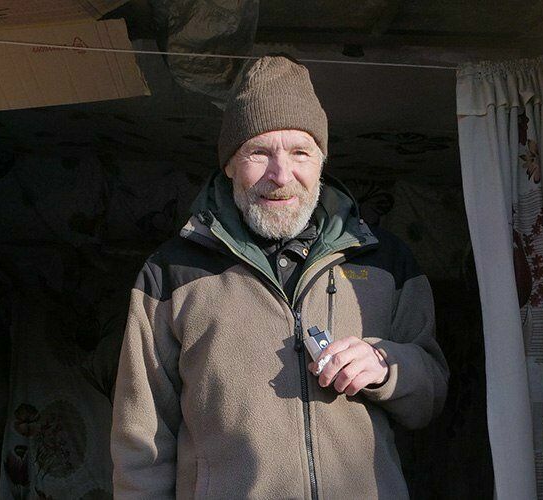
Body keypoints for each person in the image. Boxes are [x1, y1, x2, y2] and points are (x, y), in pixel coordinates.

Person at [111, 55, 449, 499]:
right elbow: (141, 445)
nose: (281, 175)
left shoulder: (385, 261)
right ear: (229, 164)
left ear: (321, 161)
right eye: (259, 152)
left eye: (300, 153)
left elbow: (430, 399)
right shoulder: (170, 275)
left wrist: (386, 365)